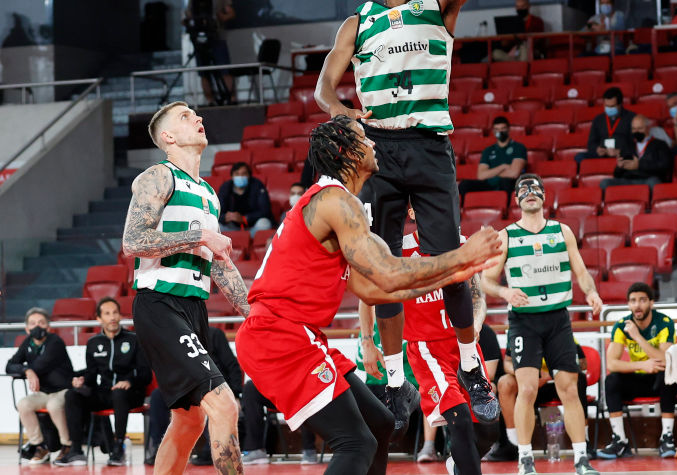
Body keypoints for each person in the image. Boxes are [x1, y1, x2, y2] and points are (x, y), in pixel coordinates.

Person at [313, 0, 576, 431]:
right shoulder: (357, 23)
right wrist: (346, 117)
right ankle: (395, 379)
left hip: (430, 146)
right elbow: (323, 88)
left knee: (451, 262)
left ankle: (468, 364)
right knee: (378, 267)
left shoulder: (443, 2)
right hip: (377, 149)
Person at [234, 115, 504, 475]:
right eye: (365, 138)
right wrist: (461, 257)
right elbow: (389, 274)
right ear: (346, 152)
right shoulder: (336, 202)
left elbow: (378, 291)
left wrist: (453, 273)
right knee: (355, 442)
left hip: (299, 335)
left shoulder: (340, 206)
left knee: (379, 422)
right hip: (279, 336)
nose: (375, 144)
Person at [121, 101, 251, 475]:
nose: (197, 118)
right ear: (168, 137)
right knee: (224, 404)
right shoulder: (158, 177)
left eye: (196, 114)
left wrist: (252, 311)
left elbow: (219, 263)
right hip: (160, 304)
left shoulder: (209, 192)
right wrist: (200, 234)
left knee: (190, 421)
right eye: (185, 116)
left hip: (194, 307)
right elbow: (133, 241)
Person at [480, 174, 603, 475]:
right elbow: (485, 281)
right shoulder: (507, 236)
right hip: (524, 322)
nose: (529, 193)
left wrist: (591, 292)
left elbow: (581, 270)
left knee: (569, 388)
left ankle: (581, 458)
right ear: (516, 200)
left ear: (544, 197)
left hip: (558, 318)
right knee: (527, 388)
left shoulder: (562, 232)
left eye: (534, 188)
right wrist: (506, 291)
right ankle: (525, 458)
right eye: (523, 190)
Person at [390, 212, 492, 475]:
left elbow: (477, 295)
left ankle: (457, 466)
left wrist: (476, 325)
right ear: (413, 212)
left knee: (488, 429)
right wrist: (368, 339)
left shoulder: (460, 243)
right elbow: (371, 296)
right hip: (427, 348)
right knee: (459, 420)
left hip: (464, 343)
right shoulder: (399, 249)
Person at [56, 298, 151, 467]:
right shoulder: (93, 343)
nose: (112, 317)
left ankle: (118, 448)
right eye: (107, 314)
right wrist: (82, 380)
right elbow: (92, 376)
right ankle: (76, 451)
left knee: (119, 393)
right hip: (105, 392)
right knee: (72, 395)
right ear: (99, 319)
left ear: (120, 316)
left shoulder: (134, 340)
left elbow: (145, 373)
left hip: (131, 393)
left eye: (115, 313)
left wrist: (128, 381)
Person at [597, 282, 677, 460]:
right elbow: (611, 363)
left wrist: (637, 337)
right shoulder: (621, 326)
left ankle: (667, 437)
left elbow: (665, 359)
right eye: (633, 301)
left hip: (658, 377)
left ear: (651, 303)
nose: (637, 305)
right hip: (638, 376)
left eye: (642, 300)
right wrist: (642, 365)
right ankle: (620, 441)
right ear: (628, 304)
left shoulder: (664, 323)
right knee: (611, 381)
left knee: (668, 376)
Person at [145, 326, 243, 466]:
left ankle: (210, 452)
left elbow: (232, 366)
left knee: (215, 400)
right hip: (187, 386)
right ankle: (157, 447)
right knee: (157, 396)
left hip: (213, 386)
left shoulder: (215, 334)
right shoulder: (173, 337)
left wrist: (236, 394)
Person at [490, 341, 591, 462]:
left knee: (580, 379)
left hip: (557, 382)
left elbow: (583, 364)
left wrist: (550, 374)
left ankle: (584, 440)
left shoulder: (560, 333)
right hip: (531, 384)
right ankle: (513, 443)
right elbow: (507, 363)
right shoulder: (519, 332)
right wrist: (527, 374)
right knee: (504, 382)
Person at [7, 307, 74, 464]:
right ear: (27, 328)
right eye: (33, 323)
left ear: (48, 326)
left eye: (41, 323)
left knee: (53, 405)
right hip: (43, 392)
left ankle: (67, 445)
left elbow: (40, 365)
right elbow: (9, 366)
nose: (37, 326)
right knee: (23, 404)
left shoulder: (55, 341)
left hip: (62, 390)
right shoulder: (27, 342)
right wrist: (26, 370)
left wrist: (29, 369)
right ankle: (40, 446)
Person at [184, 0, 236, 105]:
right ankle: (210, 100)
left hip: (217, 36)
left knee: (224, 68)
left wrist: (221, 17)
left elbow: (230, 13)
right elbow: (188, 14)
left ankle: (230, 98)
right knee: (204, 71)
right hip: (200, 39)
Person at [239, 380, 319, 465]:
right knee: (250, 387)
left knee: (304, 385)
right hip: (280, 388)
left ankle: (309, 450)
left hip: (301, 385)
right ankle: (255, 450)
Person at [458, 116, 527, 197]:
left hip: (508, 184)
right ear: (493, 131)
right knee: (464, 184)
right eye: (497, 129)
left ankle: (507, 208)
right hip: (489, 184)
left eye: (503, 128)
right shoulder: (488, 150)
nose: (500, 131)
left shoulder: (518, 147)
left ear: (508, 129)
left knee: (505, 182)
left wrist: (491, 174)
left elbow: (514, 173)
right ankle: (460, 209)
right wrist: (503, 166)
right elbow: (481, 176)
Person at [600, 115, 672, 190]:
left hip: (648, 179)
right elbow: (617, 175)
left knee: (654, 183)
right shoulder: (628, 146)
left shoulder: (660, 144)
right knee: (605, 183)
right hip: (629, 180)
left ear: (648, 128)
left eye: (640, 128)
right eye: (634, 129)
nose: (636, 131)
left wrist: (639, 165)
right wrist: (619, 167)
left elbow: (664, 167)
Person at [577, 87, 635, 164]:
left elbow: (636, 145)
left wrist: (620, 151)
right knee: (579, 157)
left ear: (620, 104)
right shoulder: (598, 119)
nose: (609, 109)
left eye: (612, 106)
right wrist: (597, 149)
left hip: (622, 154)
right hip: (602, 154)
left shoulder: (632, 118)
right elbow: (591, 143)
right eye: (607, 106)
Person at [217, 162, 274, 236]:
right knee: (215, 225)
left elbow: (265, 211)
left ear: (249, 176)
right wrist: (225, 217)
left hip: (253, 226)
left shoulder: (257, 185)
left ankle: (246, 239)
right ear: (232, 176)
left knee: (264, 223)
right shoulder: (225, 187)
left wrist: (245, 218)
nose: (240, 176)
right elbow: (217, 211)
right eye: (237, 174)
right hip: (231, 226)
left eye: (244, 174)